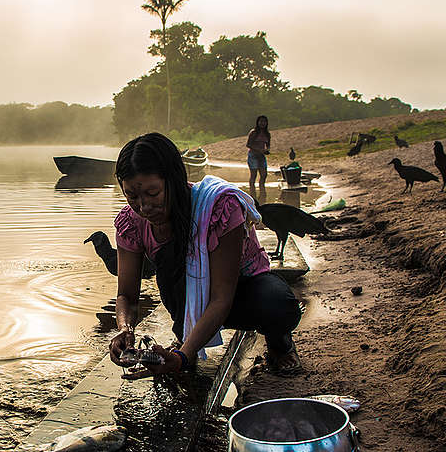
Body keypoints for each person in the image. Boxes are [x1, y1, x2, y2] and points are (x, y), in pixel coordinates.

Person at [108, 132, 302, 378]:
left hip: (241, 291)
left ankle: (280, 344)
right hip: (188, 294)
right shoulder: (131, 222)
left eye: (153, 193)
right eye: (132, 196)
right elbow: (126, 294)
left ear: (174, 180)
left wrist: (181, 359)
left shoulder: (218, 209)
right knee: (171, 266)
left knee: (278, 305)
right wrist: (125, 329)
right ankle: (185, 337)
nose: (144, 207)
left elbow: (222, 297)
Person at [246, 115, 271, 193]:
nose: (262, 123)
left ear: (266, 123)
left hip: (261, 156)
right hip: (253, 155)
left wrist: (267, 150)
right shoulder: (253, 132)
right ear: (257, 122)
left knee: (264, 175)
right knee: (254, 175)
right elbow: (248, 145)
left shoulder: (267, 134)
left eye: (264, 121)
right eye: (261, 121)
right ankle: (253, 193)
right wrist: (259, 150)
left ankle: (262, 192)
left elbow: (268, 145)